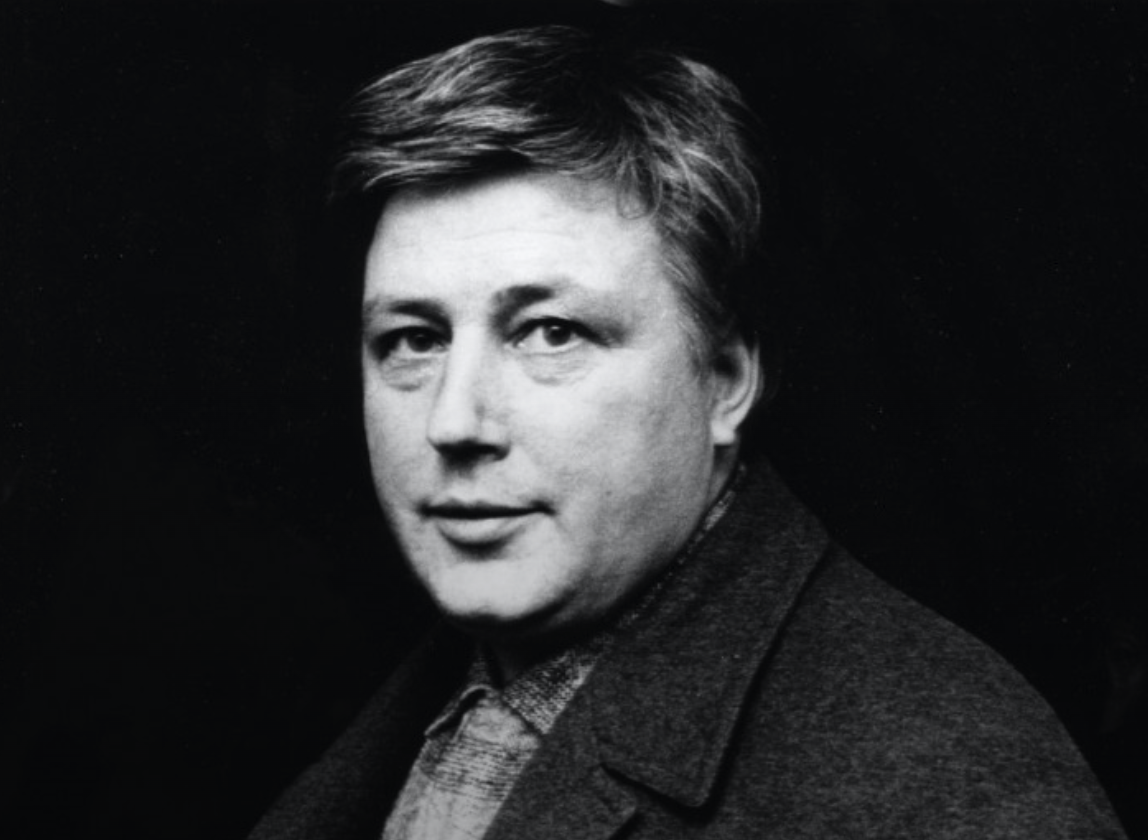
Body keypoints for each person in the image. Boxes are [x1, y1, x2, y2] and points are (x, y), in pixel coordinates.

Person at [248, 25, 1126, 840]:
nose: (454, 421)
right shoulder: (407, 724)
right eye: (413, 340)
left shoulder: (947, 787)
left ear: (727, 382)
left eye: (551, 331)